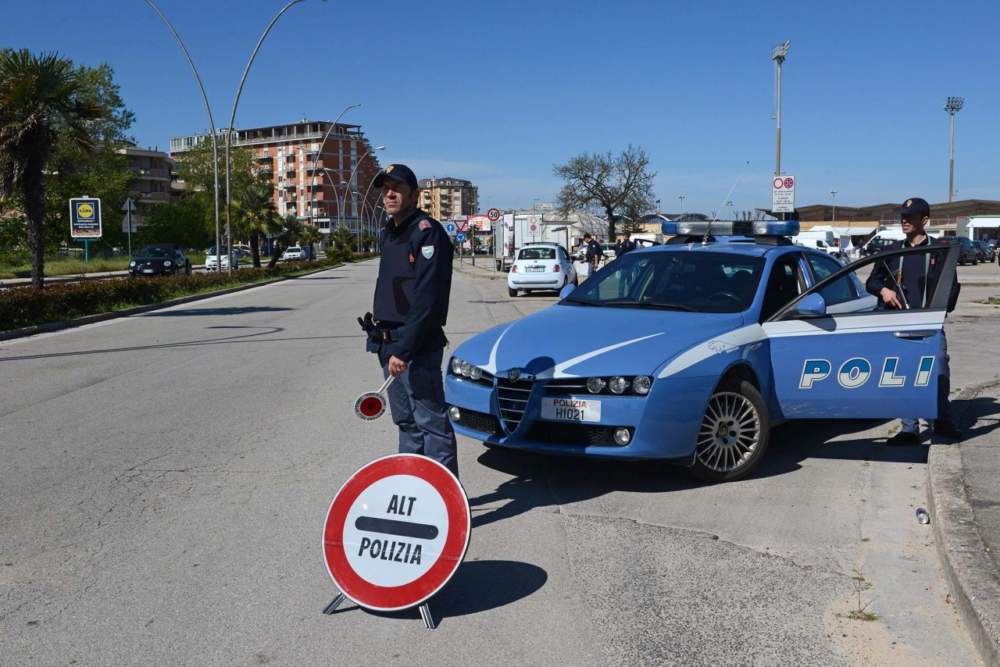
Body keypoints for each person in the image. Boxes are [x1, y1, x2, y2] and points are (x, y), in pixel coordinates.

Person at [359, 164, 459, 475]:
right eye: (385, 189)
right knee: (406, 422)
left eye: (397, 188)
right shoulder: (389, 232)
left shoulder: (427, 232)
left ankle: (445, 495)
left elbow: (427, 299)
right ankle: (414, 489)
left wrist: (404, 350)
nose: (389, 194)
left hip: (415, 346)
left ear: (414, 195)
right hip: (388, 344)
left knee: (431, 423)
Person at [864, 197, 962, 445]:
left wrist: (941, 309)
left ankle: (942, 422)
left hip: (930, 324)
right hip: (899, 323)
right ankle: (909, 429)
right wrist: (884, 291)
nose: (904, 221)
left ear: (924, 220)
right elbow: (871, 282)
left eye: (911, 217)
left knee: (938, 370)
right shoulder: (892, 251)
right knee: (904, 373)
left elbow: (952, 286)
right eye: (903, 217)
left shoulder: (939, 251)